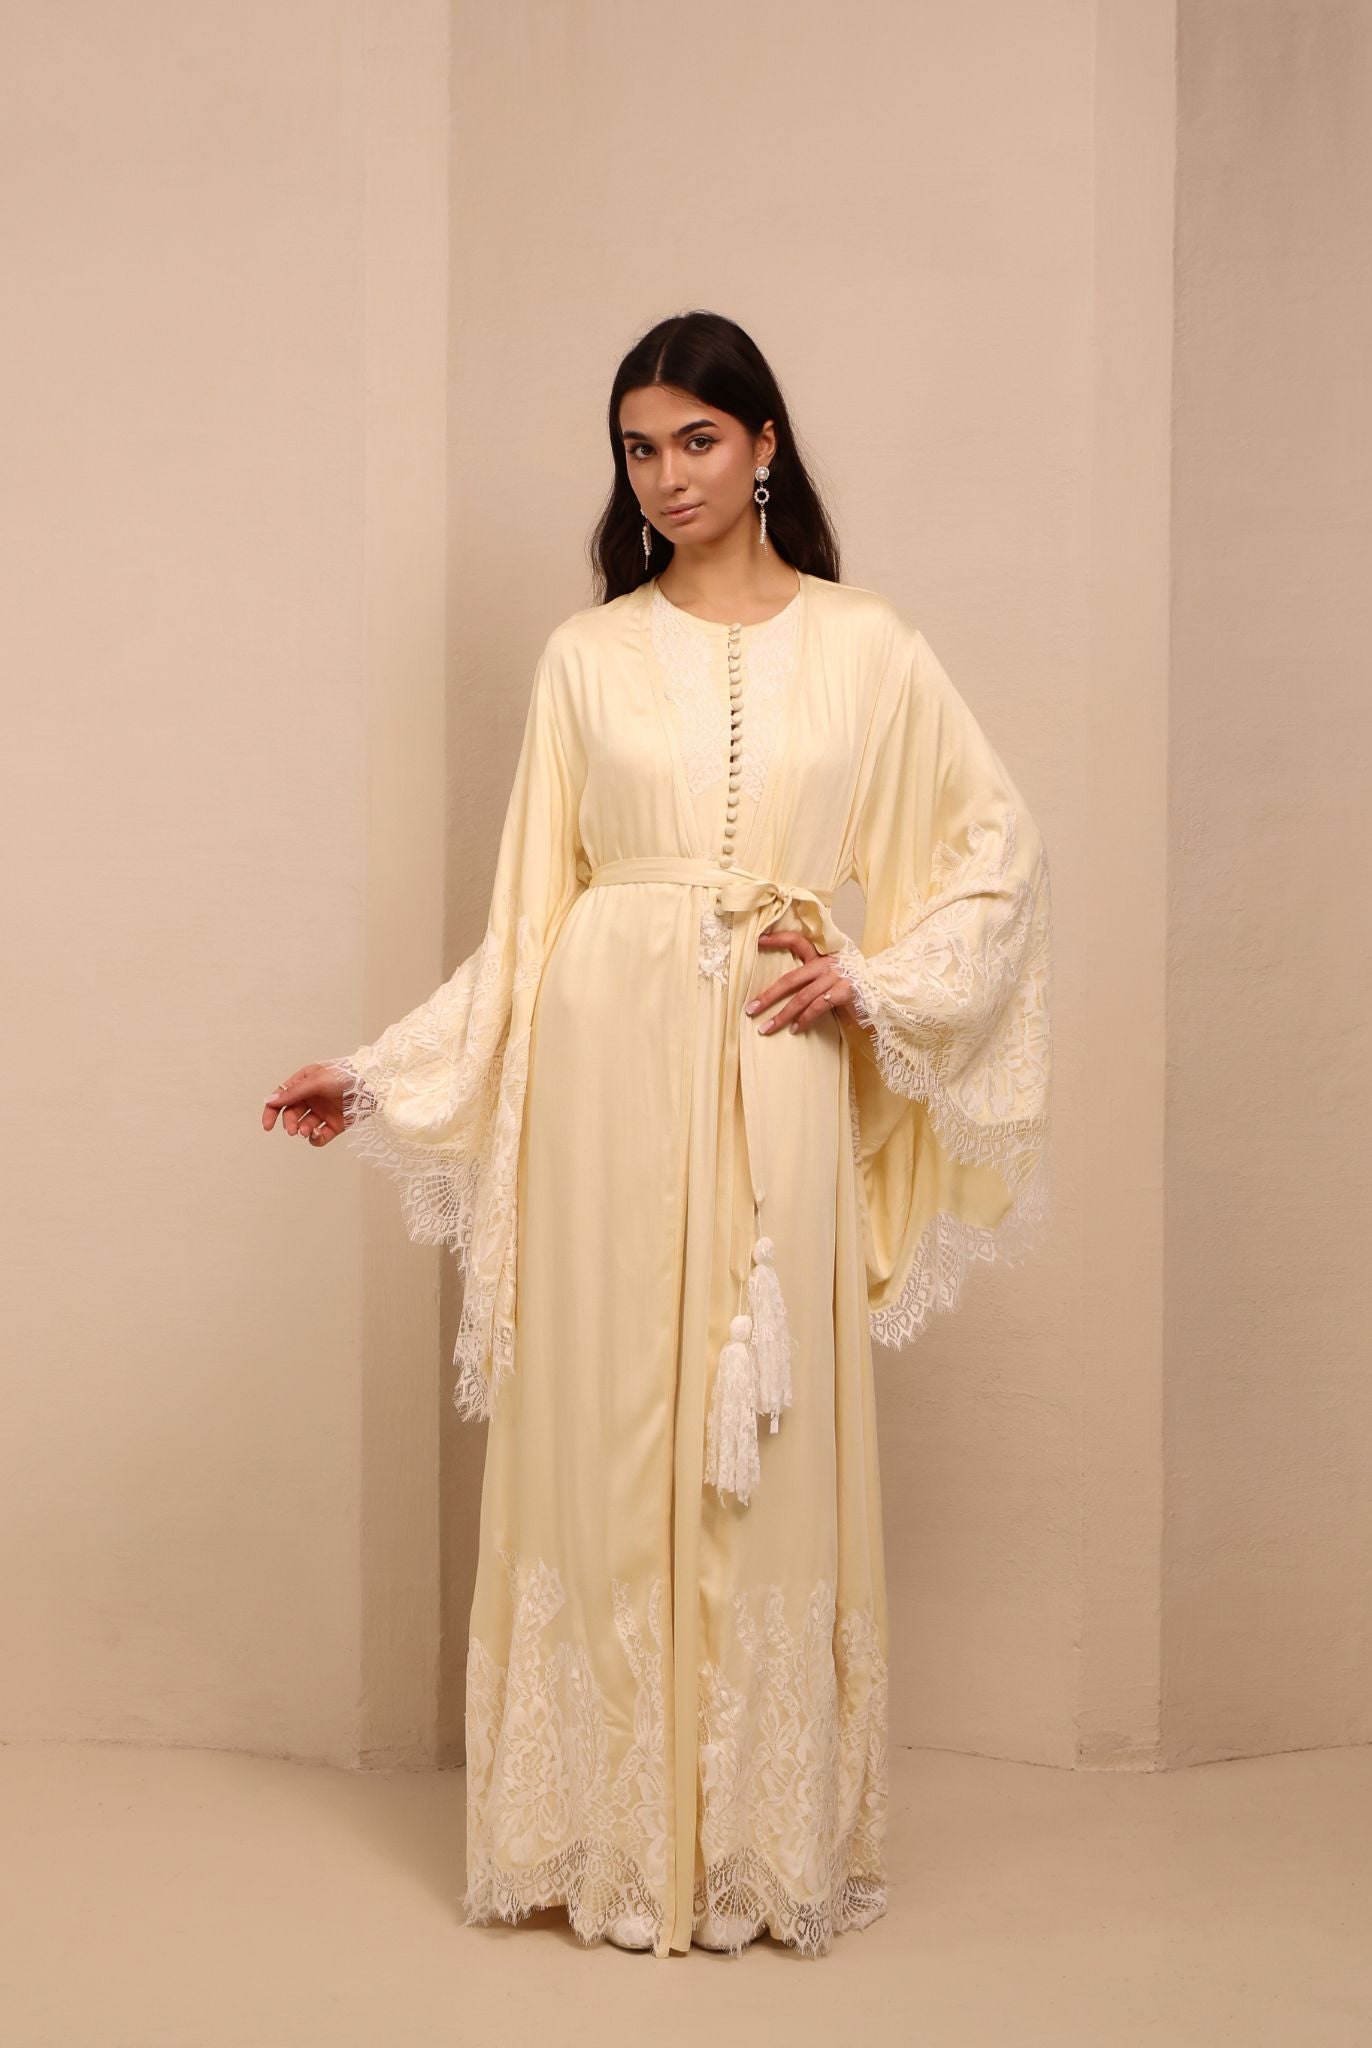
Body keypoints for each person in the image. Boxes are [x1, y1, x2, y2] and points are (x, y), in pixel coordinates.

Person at [262, 310, 1053, 1961]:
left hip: (776, 1062)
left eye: (698, 438)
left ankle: (753, 1838)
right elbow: (527, 925)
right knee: (606, 1420)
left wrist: (874, 980)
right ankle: (603, 1833)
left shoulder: (871, 646)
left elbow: (995, 853)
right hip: (602, 1072)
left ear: (764, 445)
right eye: (639, 447)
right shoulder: (586, 657)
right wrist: (383, 1072)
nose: (667, 474)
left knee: (763, 1425)